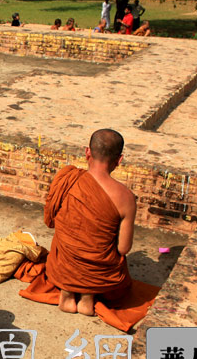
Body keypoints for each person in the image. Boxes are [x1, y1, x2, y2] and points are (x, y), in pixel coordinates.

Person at [45, 129, 136, 316]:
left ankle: (67, 293)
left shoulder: (67, 178)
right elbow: (124, 248)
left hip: (64, 265)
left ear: (87, 152)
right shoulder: (125, 197)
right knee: (108, 251)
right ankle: (88, 296)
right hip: (98, 274)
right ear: (119, 160)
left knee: (66, 239)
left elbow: (50, 220)